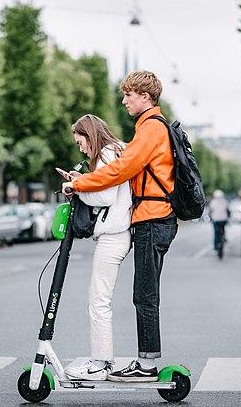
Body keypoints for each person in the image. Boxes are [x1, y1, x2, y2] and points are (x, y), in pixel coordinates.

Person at [63, 70, 176, 382]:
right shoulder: (145, 129)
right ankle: (144, 362)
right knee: (143, 294)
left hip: (154, 218)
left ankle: (146, 365)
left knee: (145, 295)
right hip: (149, 219)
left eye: (129, 94)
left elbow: (121, 171)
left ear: (145, 95)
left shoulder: (151, 128)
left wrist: (81, 183)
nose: (124, 100)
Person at [61, 114, 132, 381]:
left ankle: (101, 363)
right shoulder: (116, 150)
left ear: (90, 135)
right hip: (117, 233)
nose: (80, 148)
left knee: (99, 301)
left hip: (113, 234)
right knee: (100, 300)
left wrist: (77, 186)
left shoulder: (106, 153)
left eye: (81, 142)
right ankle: (101, 360)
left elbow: (104, 195)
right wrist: (81, 180)